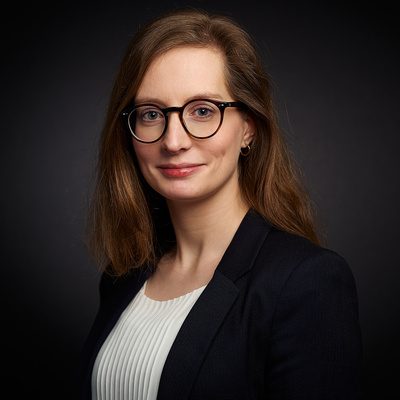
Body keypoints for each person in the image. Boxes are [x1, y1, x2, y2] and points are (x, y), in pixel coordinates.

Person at [77, 7, 362, 400]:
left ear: (249, 128)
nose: (173, 141)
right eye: (151, 113)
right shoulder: (122, 276)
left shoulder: (307, 281)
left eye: (202, 111)